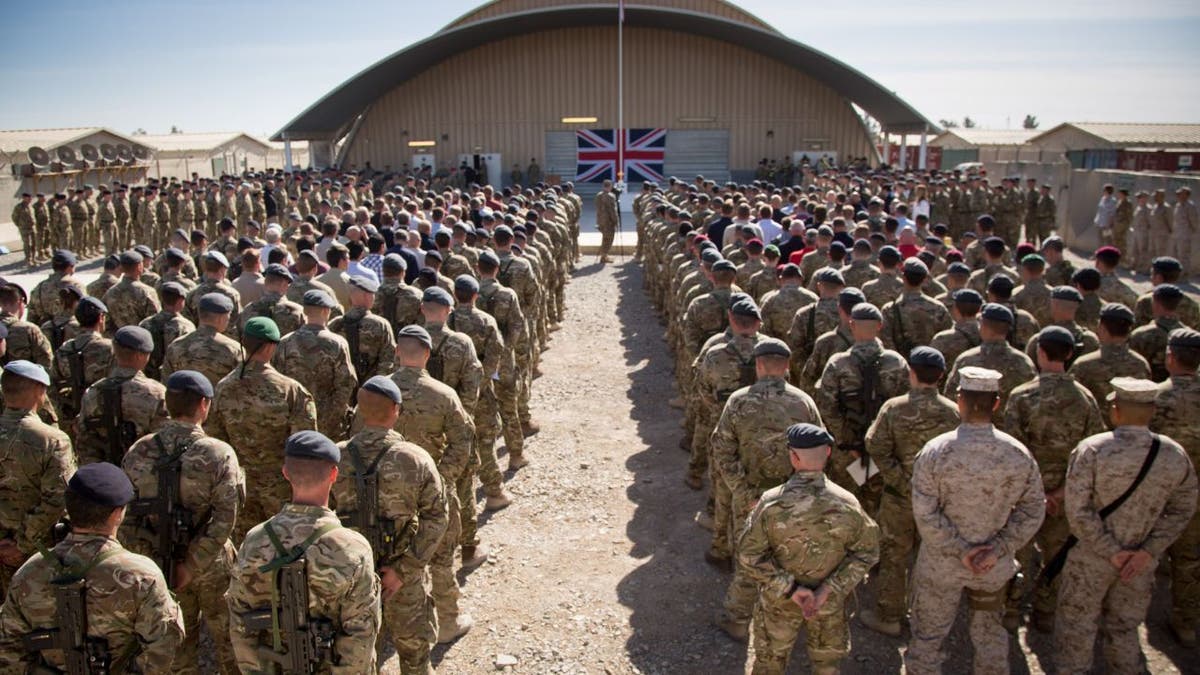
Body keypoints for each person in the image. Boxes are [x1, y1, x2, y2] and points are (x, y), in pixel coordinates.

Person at [905, 367, 1045, 675]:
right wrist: (996, 549)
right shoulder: (1018, 454)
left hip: (942, 566)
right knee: (990, 636)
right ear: (996, 404)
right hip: (991, 567)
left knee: (928, 639)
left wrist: (959, 549)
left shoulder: (935, 452)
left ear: (960, 401)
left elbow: (925, 513)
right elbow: (1033, 509)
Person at [1055, 378, 1198, 674]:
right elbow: (1183, 508)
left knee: (1076, 630)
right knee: (1124, 629)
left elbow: (1078, 511)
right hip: (1139, 564)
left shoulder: (1092, 450)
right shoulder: (1172, 454)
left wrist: (1111, 550)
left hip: (1090, 559)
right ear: (1152, 411)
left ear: (1115, 410)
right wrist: (1148, 551)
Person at [0, 462, 183, 671]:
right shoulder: (141, 574)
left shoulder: (28, 573)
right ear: (117, 514)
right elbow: (164, 648)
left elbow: (8, 651)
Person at [119, 370, 243, 675]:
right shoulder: (218, 453)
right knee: (230, 640)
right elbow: (226, 515)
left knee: (176, 643)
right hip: (211, 564)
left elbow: (125, 514)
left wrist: (151, 560)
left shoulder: (140, 450)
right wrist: (193, 562)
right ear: (204, 404)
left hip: (160, 563)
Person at [226, 431, 381, 673]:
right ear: (334, 474)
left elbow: (239, 618)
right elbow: (361, 634)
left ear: (286, 473)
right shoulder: (352, 547)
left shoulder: (255, 540)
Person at [738, 423, 879, 675]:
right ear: (827, 453)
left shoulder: (771, 503)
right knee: (826, 666)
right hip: (828, 605)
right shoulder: (848, 503)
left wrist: (791, 588)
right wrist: (829, 588)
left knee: (770, 664)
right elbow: (867, 552)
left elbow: (749, 555)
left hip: (779, 602)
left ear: (793, 457)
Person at [332, 376, 447, 674]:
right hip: (401, 580)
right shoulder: (415, 458)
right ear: (396, 410)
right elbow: (437, 517)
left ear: (359, 410)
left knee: (355, 658)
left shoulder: (335, 457)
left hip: (348, 578)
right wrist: (404, 570)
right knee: (414, 656)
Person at [710, 338, 824, 639]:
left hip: (751, 496)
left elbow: (722, 450)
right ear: (787, 366)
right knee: (791, 555)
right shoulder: (803, 402)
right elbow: (820, 449)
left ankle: (738, 619)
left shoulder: (738, 401)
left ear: (758, 365)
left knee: (750, 555)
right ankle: (786, 618)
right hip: (792, 498)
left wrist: (744, 493)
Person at [1002, 326, 1107, 632]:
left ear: (1039, 352)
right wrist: (1059, 494)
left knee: (1017, 552)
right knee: (1057, 554)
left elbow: (1013, 451)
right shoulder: (1085, 399)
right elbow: (1092, 453)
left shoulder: (1021, 396)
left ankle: (1011, 609)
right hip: (1064, 496)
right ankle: (1046, 612)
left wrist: (1035, 493)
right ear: (1070, 354)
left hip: (1025, 495)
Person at [860, 347, 961, 637]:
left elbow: (875, 444)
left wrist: (900, 479)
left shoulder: (894, 407)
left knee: (894, 555)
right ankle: (927, 619)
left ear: (911, 373)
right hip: (938, 500)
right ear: (941, 375)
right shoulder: (953, 412)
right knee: (931, 557)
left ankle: (889, 616)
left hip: (898, 497)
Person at [389, 325, 477, 644]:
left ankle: (396, 622)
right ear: (427, 355)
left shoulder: (379, 392)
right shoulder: (443, 395)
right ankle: (448, 622)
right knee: (440, 558)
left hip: (391, 493)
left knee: (395, 554)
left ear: (398, 351)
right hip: (436, 492)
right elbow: (463, 441)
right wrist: (442, 478)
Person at [208, 317, 317, 540]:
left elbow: (215, 441)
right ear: (270, 346)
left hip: (239, 486)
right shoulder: (291, 391)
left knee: (245, 546)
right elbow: (306, 445)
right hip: (280, 488)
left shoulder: (222, 388)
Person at [0, 361, 75, 598]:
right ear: (38, 391)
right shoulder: (52, 440)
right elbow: (59, 499)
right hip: (39, 552)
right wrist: (21, 544)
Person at [1149, 328, 1200, 646]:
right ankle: (1186, 622)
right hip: (1195, 496)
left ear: (1170, 357)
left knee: (1145, 550)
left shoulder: (1154, 399)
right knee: (1191, 558)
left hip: (1158, 493)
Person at [75, 326, 168, 465]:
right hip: (142, 474)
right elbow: (165, 441)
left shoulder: (93, 391)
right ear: (140, 356)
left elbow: (84, 439)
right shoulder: (157, 393)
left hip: (102, 473)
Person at [273, 290, 357, 438]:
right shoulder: (337, 343)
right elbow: (346, 384)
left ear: (304, 311)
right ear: (326, 311)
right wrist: (332, 417)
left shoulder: (286, 341)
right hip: (327, 421)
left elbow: (278, 379)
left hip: (294, 417)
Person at [161, 292, 241, 389]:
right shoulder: (233, 349)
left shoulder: (175, 345)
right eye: (228, 315)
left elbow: (167, 383)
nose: (229, 319)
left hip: (182, 402)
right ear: (220, 319)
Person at [595, 179, 620, 263]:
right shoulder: (611, 196)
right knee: (609, 239)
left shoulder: (598, 195)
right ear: (610, 186)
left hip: (600, 220)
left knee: (604, 238)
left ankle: (604, 255)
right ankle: (604, 255)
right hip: (608, 222)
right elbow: (613, 210)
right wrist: (616, 221)